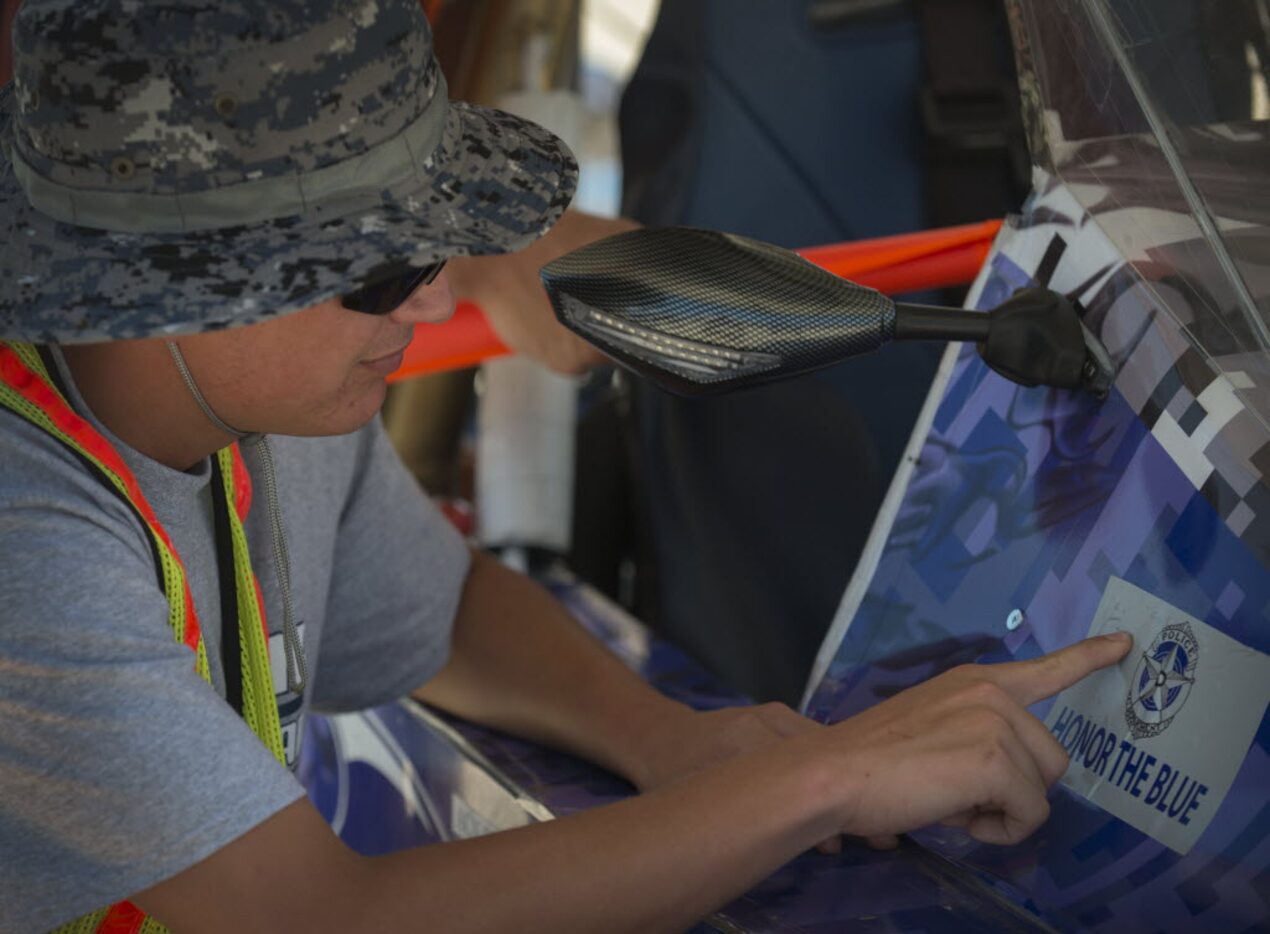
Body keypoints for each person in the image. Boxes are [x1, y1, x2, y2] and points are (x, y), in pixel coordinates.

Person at [0, 1, 1131, 932]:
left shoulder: (278, 411)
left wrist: (670, 740)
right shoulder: (28, 540)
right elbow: (314, 918)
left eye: (436, 241)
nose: (443, 299)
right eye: (383, 267)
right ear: (170, 284)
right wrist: (825, 779)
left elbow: (441, 613)